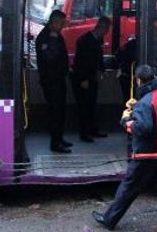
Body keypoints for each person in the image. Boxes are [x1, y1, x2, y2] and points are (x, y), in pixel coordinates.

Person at [92, 65, 157, 232]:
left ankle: (109, 219)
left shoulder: (145, 103)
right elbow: (156, 118)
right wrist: (138, 109)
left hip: (148, 153)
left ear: (139, 80)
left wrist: (126, 120)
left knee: (128, 187)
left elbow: (144, 128)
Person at [35, 10, 72, 153]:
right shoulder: (46, 38)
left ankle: (59, 138)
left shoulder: (56, 36)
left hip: (59, 80)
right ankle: (55, 143)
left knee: (61, 110)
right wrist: (54, 39)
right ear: (54, 21)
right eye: (61, 23)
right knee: (55, 111)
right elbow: (49, 58)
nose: (63, 26)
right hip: (51, 81)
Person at [72, 16, 111, 142]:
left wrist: (102, 70)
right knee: (84, 106)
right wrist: (83, 79)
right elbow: (80, 62)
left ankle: (93, 129)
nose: (107, 32)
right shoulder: (84, 41)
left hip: (92, 77)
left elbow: (98, 58)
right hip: (83, 78)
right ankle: (84, 132)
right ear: (101, 27)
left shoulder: (98, 40)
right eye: (106, 29)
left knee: (92, 104)